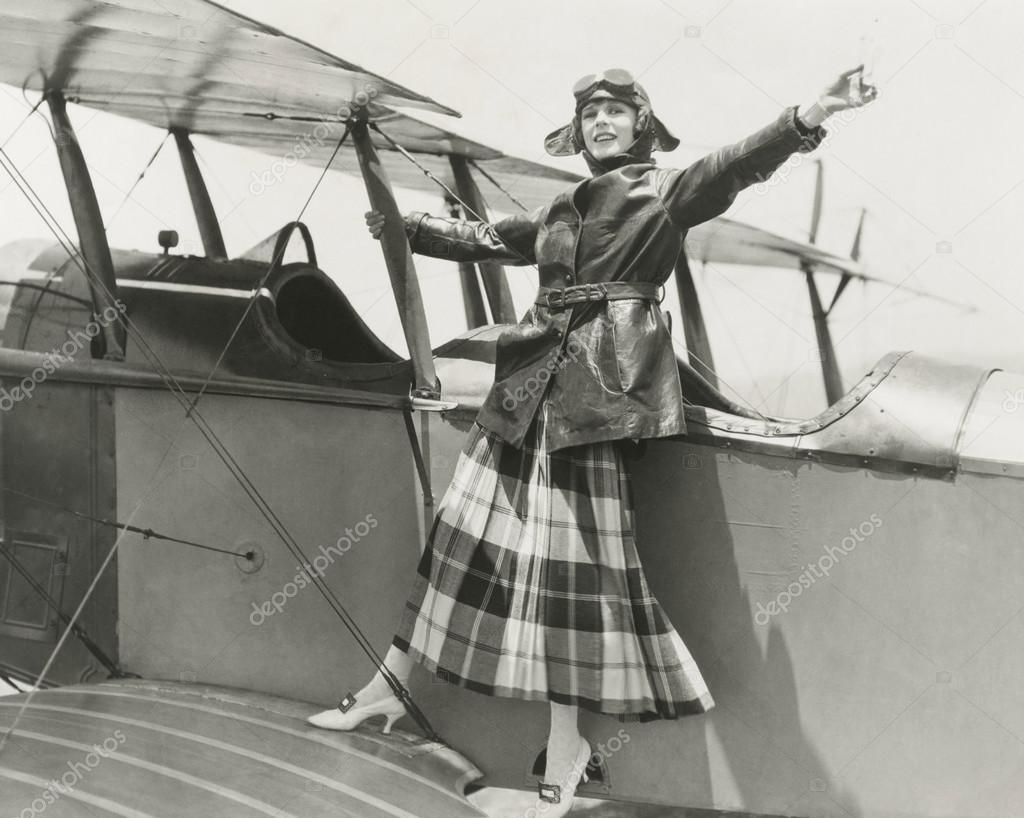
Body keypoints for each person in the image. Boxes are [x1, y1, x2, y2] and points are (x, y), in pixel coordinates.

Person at [309, 65, 877, 815]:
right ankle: (388, 687)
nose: (601, 122)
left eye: (615, 111)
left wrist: (812, 112)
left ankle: (570, 744)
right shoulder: (558, 207)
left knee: (572, 581)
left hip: (597, 403)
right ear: (576, 131)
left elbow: (735, 164)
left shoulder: (664, 192)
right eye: (590, 114)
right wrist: (404, 228)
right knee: (456, 541)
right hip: (524, 392)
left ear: (642, 123)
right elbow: (483, 236)